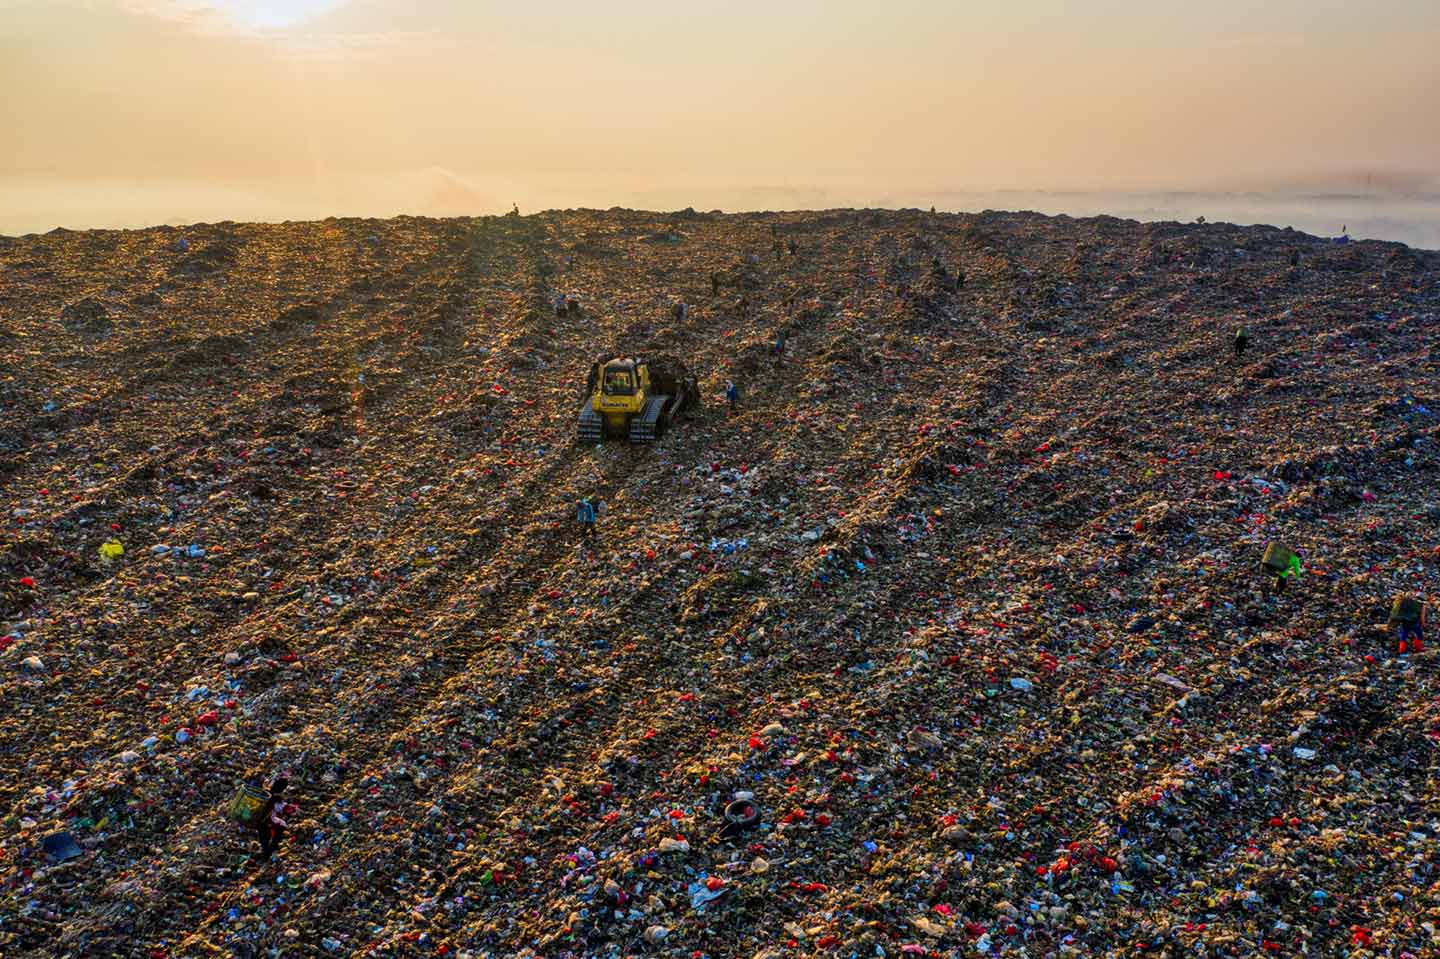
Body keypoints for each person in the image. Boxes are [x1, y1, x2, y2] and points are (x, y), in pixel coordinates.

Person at [256, 777, 289, 861]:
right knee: (282, 826)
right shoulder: (275, 798)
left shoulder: (266, 793)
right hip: (268, 820)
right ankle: (270, 851)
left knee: (264, 839)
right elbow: (280, 808)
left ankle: (265, 855)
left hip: (259, 820)